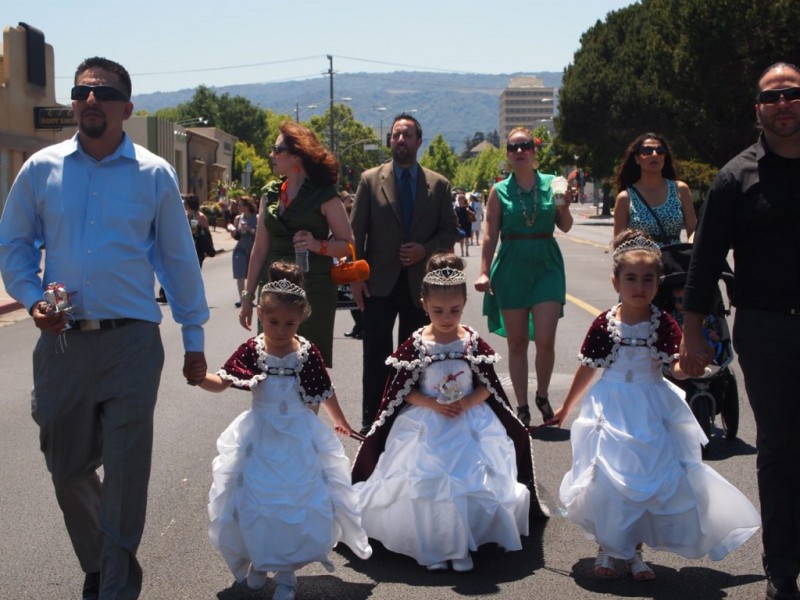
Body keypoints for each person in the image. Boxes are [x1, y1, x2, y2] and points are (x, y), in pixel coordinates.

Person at [0, 56, 209, 599]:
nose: (90, 99)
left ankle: (115, 586)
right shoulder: (40, 168)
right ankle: (101, 559)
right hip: (62, 342)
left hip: (132, 343)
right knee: (66, 467)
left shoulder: (154, 174)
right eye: (81, 91)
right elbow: (15, 245)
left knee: (125, 473)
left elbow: (177, 261)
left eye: (103, 92)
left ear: (126, 108)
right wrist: (29, 298)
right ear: (73, 103)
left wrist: (193, 340)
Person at [554, 230, 760, 581]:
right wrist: (566, 407)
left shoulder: (663, 322)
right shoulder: (605, 323)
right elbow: (589, 366)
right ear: (615, 281)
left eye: (648, 279)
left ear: (657, 282)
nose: (639, 286)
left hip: (651, 406)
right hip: (612, 406)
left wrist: (690, 365)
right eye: (631, 279)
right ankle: (606, 548)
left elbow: (673, 365)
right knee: (607, 479)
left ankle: (634, 552)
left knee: (646, 480)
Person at [680, 62, 800, 600]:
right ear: (758, 109)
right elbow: (704, 263)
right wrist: (692, 332)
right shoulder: (736, 177)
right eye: (772, 96)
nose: (783, 103)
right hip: (766, 328)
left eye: (792, 94)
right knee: (778, 447)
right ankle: (782, 569)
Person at [352, 254, 547, 573]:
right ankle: (436, 543)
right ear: (424, 304)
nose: (446, 317)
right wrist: (432, 404)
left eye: (454, 310)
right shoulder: (417, 344)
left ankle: (462, 543)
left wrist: (469, 403)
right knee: (429, 482)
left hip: (470, 421)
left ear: (464, 303)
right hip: (427, 421)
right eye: (438, 310)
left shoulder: (470, 341)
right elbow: (402, 391)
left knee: (467, 480)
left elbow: (489, 386)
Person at [198, 261, 371, 599]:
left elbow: (325, 389)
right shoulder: (254, 350)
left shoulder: (305, 352)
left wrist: (341, 420)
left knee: (293, 502)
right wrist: (199, 377)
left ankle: (287, 574)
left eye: (289, 323)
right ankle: (261, 561)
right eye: (273, 321)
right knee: (256, 502)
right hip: (259, 436)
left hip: (297, 437)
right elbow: (223, 382)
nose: (280, 330)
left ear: (302, 319)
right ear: (261, 315)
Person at [350, 112, 460, 433]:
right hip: (377, 284)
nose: (400, 140)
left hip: (420, 288)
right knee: (376, 355)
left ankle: (411, 418)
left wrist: (424, 250)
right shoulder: (370, 180)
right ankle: (373, 420)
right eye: (396, 135)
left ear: (418, 141)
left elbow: (449, 232)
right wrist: (355, 278)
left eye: (407, 135)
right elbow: (356, 234)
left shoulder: (438, 185)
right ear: (390, 141)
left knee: (415, 355)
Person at [474, 127, 573, 427]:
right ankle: (522, 406)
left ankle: (542, 395)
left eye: (526, 146)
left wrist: (564, 206)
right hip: (512, 265)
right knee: (517, 342)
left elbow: (565, 226)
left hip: (546, 264)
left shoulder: (554, 183)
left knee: (544, 339)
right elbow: (490, 233)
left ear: (534, 151)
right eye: (514, 147)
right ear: (507, 154)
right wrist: (483, 271)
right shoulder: (499, 190)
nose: (520, 151)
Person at [239, 121, 354, 366]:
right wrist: (248, 298)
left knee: (309, 370)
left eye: (276, 149)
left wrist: (317, 245)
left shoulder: (324, 194)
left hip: (313, 291)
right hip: (273, 291)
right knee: (269, 365)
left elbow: (347, 244)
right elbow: (259, 250)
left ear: (296, 156)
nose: (271, 154)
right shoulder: (269, 193)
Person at [613, 132, 697, 246]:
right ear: (637, 159)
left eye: (660, 151)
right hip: (641, 261)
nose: (654, 154)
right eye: (647, 151)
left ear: (664, 157)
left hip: (674, 261)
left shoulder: (680, 189)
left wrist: (691, 250)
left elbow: (693, 231)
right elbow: (619, 244)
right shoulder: (625, 198)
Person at [231, 195, 258, 307]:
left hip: (253, 249)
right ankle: (243, 300)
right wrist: (232, 231)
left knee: (253, 275)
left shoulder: (257, 218)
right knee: (240, 275)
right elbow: (236, 235)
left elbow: (260, 234)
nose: (238, 207)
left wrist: (248, 229)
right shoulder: (238, 218)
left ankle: (249, 299)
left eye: (240, 205)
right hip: (240, 249)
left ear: (247, 206)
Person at [183, 193, 214, 267]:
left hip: (197, 249)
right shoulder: (186, 215)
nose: (184, 204)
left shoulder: (200, 216)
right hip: (188, 248)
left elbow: (206, 233)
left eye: (186, 202)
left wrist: (198, 230)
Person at [454, 193, 473, 257]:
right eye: (459, 199)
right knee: (461, 238)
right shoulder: (456, 208)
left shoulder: (468, 207)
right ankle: (462, 251)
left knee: (467, 238)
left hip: (467, 224)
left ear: (464, 199)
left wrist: (469, 211)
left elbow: (474, 213)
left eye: (461, 199)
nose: (460, 200)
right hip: (460, 225)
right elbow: (454, 216)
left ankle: (467, 251)